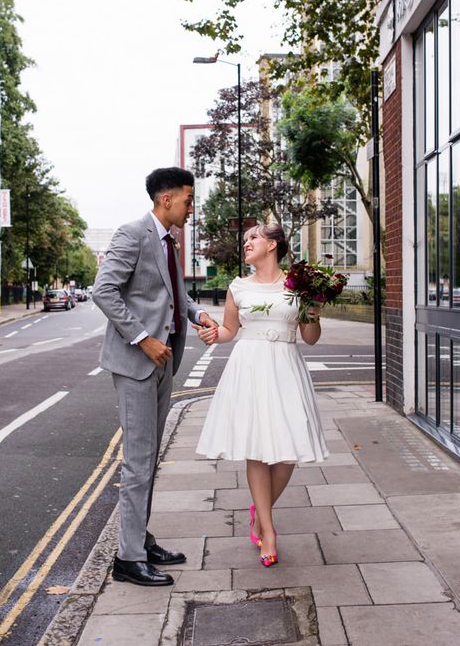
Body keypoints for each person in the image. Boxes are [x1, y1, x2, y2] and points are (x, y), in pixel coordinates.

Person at [93, 167, 216, 587]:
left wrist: (197, 315)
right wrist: (144, 339)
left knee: (148, 459)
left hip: (164, 362)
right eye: (187, 199)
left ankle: (138, 540)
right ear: (166, 199)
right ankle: (127, 559)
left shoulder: (168, 241)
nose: (191, 207)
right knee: (138, 461)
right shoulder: (132, 234)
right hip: (137, 363)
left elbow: (171, 295)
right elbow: (103, 291)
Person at [194, 223, 328, 567]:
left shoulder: (297, 285)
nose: (246, 244)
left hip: (285, 365)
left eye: (252, 238)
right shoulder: (238, 287)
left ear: (273, 244)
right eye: (244, 240)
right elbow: (229, 331)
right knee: (256, 448)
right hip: (249, 366)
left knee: (287, 454)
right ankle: (268, 531)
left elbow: (310, 337)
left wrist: (312, 310)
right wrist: (212, 334)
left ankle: (259, 513)